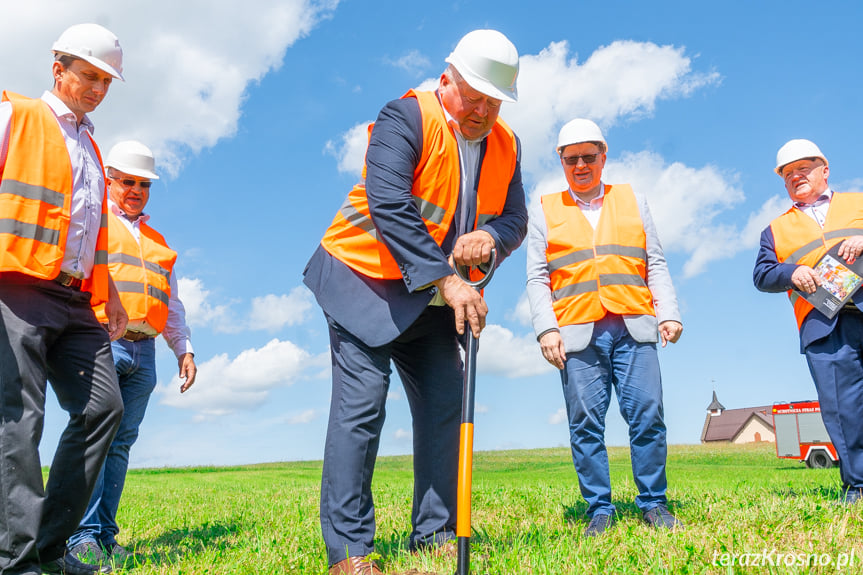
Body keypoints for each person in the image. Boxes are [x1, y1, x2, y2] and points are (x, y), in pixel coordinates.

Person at [303, 29, 527, 575]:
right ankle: (351, 552)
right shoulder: (405, 118)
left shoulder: (508, 145)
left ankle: (434, 533)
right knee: (362, 412)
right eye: (471, 97)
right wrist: (448, 281)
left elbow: (515, 219)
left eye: (492, 102)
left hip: (429, 304)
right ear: (446, 79)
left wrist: (491, 239)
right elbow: (388, 203)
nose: (480, 111)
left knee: (445, 407)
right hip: (363, 282)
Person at [0, 23, 128, 575]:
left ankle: (51, 547)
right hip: (17, 286)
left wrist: (114, 295)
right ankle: (18, 560)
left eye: (106, 80)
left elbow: (90, 230)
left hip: (77, 301)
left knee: (104, 410)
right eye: (89, 76)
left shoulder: (94, 148)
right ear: (59, 70)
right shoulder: (17, 115)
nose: (98, 88)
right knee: (20, 421)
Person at [526, 119, 683, 537]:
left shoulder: (633, 200)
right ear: (561, 160)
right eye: (571, 158)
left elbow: (656, 262)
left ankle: (653, 503)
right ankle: (600, 507)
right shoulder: (544, 209)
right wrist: (546, 329)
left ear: (603, 156)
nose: (580, 165)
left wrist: (668, 312)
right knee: (585, 424)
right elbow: (538, 277)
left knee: (648, 415)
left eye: (588, 157)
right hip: (577, 332)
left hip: (634, 326)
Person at [65, 141, 198, 567]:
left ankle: (104, 534)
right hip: (103, 341)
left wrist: (184, 348)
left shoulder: (159, 244)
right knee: (94, 438)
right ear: (109, 180)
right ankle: (79, 536)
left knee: (120, 446)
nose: (136, 190)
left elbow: (171, 303)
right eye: (128, 182)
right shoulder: (95, 223)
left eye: (143, 184)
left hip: (145, 354)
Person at [754, 139, 863, 505]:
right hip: (823, 326)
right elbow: (762, 275)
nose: (796, 176)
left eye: (804, 168)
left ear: (825, 169)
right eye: (788, 173)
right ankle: (857, 486)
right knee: (841, 409)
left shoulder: (858, 202)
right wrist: (791, 272)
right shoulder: (775, 229)